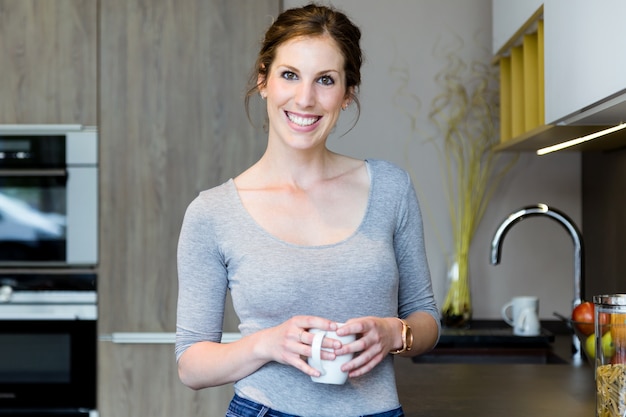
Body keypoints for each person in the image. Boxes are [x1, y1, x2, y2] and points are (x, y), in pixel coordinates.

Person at [176, 3, 440, 417]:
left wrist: (393, 332)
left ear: (347, 94)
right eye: (289, 75)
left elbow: (426, 318)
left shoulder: (391, 188)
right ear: (263, 80)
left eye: (326, 80)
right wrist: (268, 343)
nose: (305, 98)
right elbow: (191, 364)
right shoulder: (212, 212)